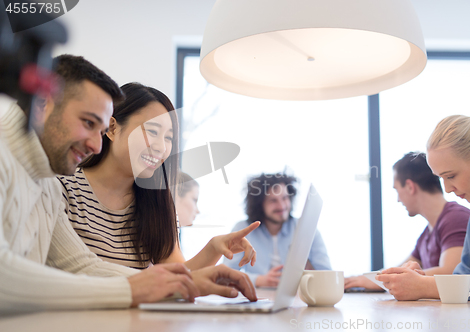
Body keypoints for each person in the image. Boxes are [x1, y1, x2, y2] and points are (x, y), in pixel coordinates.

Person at [0, 55, 255, 313]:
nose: (95, 145)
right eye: (88, 123)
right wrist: (138, 289)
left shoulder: (47, 183)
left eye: (168, 137)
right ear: (43, 102)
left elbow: (81, 265)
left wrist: (173, 283)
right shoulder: (54, 180)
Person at [58, 82, 258, 272]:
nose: (161, 148)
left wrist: (214, 248)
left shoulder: (156, 204)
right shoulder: (63, 189)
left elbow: (178, 275)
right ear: (112, 128)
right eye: (152, 131)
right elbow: (77, 269)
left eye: (168, 138)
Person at [377, 108, 470, 301]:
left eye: (451, 176)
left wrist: (425, 286)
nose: (448, 189)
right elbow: (463, 275)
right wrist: (420, 278)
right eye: (441, 178)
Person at [344, 152, 470, 290]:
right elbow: (400, 270)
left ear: (410, 186)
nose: (398, 199)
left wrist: (380, 279)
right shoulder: (426, 234)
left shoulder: (455, 219)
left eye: (397, 190)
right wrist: (368, 279)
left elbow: (451, 273)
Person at [224, 173, 331, 287]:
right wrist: (259, 280)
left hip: (299, 297)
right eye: (273, 200)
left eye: (285, 198)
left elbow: (327, 274)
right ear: (260, 205)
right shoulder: (243, 229)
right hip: (258, 297)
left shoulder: (306, 228)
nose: (281, 206)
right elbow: (226, 273)